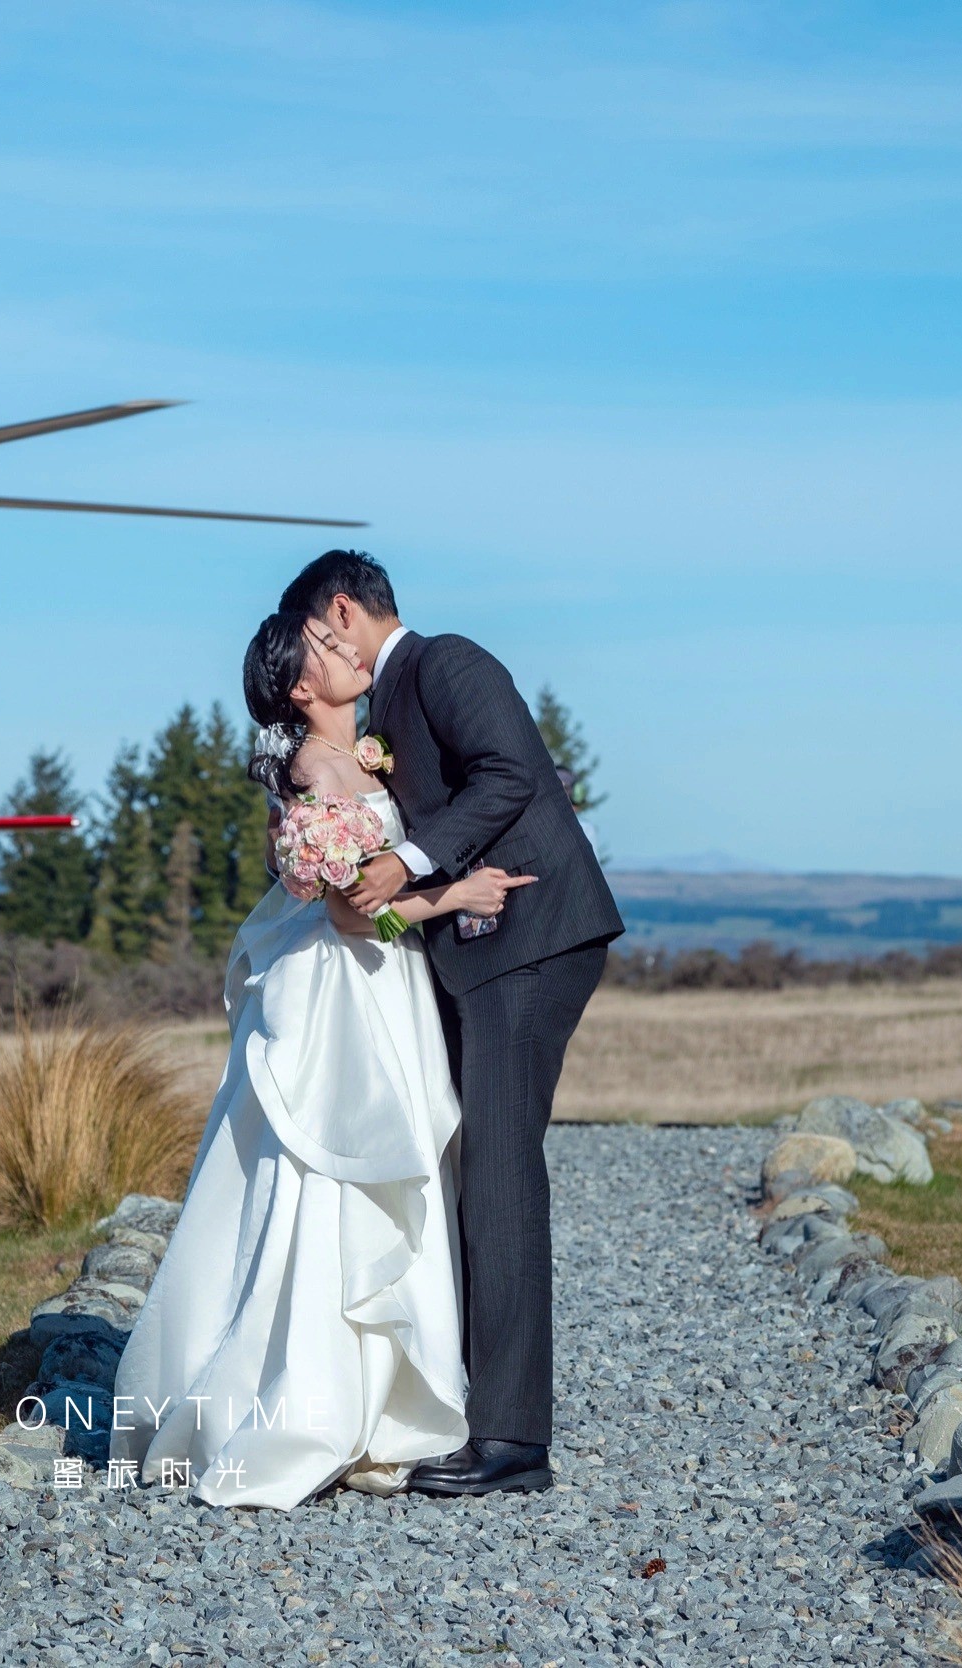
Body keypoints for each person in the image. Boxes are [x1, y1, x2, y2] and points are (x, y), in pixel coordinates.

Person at [108, 610, 531, 1508]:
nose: (348, 651)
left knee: (387, 1169)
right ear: (301, 688)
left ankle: (382, 1403)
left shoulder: (362, 753)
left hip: (386, 983)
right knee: (339, 1170)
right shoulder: (317, 766)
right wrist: (457, 891)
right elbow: (349, 912)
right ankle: (317, 1403)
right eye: (328, 649)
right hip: (347, 986)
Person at [283, 549, 624, 1498]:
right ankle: (482, 1408)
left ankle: (514, 1440)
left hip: (532, 938)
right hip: (473, 950)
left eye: (316, 634)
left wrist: (413, 862)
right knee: (473, 1166)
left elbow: (513, 774)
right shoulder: (381, 705)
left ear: (341, 612)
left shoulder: (450, 664)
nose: (320, 651)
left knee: (502, 1171)